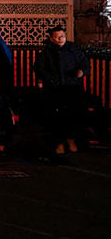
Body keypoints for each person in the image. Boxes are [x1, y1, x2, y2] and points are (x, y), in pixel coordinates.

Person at [33, 25, 91, 154]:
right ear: (51, 38)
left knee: (73, 115)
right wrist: (50, 79)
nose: (60, 39)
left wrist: (82, 72)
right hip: (55, 89)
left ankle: (71, 140)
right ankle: (58, 142)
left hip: (72, 88)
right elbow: (39, 68)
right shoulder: (47, 51)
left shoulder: (74, 49)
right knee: (56, 117)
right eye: (57, 37)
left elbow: (85, 64)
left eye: (62, 36)